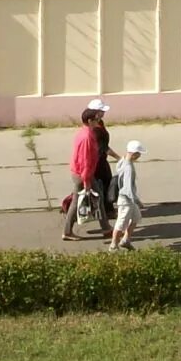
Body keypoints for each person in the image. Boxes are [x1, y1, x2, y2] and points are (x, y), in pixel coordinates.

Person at [62, 99, 114, 240]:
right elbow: (85, 160)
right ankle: (68, 231)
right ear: (90, 120)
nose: (99, 121)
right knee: (86, 200)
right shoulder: (87, 137)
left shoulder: (84, 132)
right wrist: (87, 182)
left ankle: (106, 228)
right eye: (96, 119)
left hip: (80, 173)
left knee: (95, 199)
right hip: (83, 174)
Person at [108, 140, 145, 250]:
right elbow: (128, 189)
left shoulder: (123, 161)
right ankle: (113, 245)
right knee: (121, 223)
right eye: (139, 154)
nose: (139, 156)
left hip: (128, 200)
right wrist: (138, 201)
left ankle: (126, 240)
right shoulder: (128, 168)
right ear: (134, 153)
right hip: (126, 200)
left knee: (136, 218)